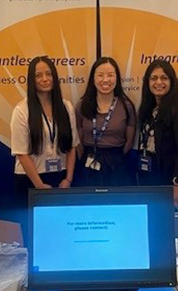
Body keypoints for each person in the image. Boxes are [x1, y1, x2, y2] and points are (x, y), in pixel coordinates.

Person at [10, 56, 79, 244]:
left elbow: (72, 146)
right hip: (31, 179)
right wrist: (39, 187)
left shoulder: (66, 107)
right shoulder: (22, 110)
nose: (45, 79)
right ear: (31, 80)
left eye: (48, 74)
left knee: (62, 231)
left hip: (61, 178)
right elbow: (21, 153)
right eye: (38, 75)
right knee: (36, 235)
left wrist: (68, 179)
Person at [137, 59, 178, 209]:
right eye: (154, 78)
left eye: (164, 78)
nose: (159, 82)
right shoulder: (151, 107)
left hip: (173, 181)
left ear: (172, 81)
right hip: (154, 177)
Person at [75, 57, 136, 186]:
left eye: (110, 75)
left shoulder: (126, 106)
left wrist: (115, 157)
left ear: (117, 78)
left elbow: (129, 141)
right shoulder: (82, 105)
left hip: (117, 165)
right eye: (100, 75)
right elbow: (78, 140)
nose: (105, 80)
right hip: (89, 162)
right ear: (93, 78)